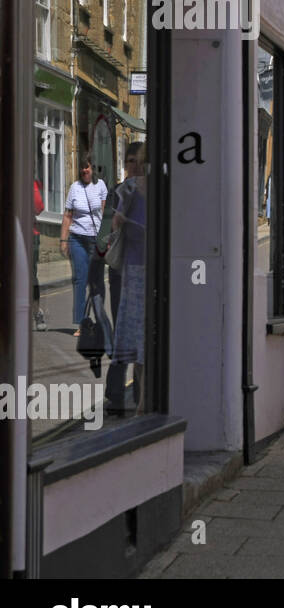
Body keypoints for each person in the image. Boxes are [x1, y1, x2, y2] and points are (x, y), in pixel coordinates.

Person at [109, 142, 149, 412]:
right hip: (123, 271)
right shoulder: (121, 192)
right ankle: (117, 396)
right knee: (124, 336)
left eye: (138, 161)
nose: (133, 167)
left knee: (141, 339)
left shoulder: (153, 190)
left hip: (146, 269)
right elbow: (104, 235)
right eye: (129, 161)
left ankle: (138, 398)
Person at [61, 156, 108, 335]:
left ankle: (99, 320)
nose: (84, 171)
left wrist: (106, 239)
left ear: (93, 168)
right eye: (82, 168)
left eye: (87, 167)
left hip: (95, 240)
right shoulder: (74, 188)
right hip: (77, 239)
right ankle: (82, 324)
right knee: (80, 280)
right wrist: (64, 240)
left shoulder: (101, 186)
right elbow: (67, 215)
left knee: (95, 282)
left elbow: (105, 213)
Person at [33, 179, 46, 331]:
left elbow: (38, 207)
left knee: (30, 277)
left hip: (29, 233)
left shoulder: (31, 183)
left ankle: (36, 312)